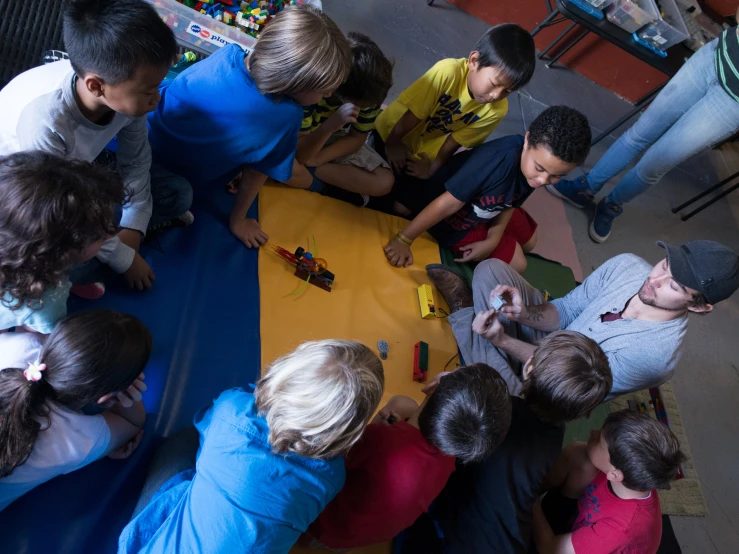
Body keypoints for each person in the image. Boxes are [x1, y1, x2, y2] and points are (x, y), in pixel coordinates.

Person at [0, 0, 192, 299]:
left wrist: (134, 224)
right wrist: (124, 258)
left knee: (178, 194)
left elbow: (137, 160)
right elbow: (60, 213)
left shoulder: (123, 92)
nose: (156, 99)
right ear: (96, 87)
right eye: (148, 91)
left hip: (78, 170)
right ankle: (78, 274)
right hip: (31, 198)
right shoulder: (45, 124)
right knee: (49, 262)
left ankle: (105, 247)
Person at [118, 340, 385, 553]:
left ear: (285, 373)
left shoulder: (233, 410)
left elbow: (204, 425)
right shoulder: (333, 475)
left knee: (183, 441)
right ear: (349, 429)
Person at [426, 239, 739, 399]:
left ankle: (464, 314)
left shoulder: (655, 357)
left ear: (698, 307)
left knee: (505, 400)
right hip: (552, 344)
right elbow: (565, 312)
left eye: (673, 285)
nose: (654, 279)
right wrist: (523, 313)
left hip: (552, 386)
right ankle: (483, 352)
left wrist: (501, 339)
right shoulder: (628, 266)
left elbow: (555, 379)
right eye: (664, 264)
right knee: (489, 270)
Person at [147, 6, 351, 249]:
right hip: (161, 174)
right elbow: (258, 172)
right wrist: (239, 220)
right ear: (294, 82)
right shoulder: (284, 116)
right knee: (179, 197)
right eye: (324, 90)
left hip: (143, 129)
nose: (328, 95)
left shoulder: (228, 52)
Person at [397, 331, 611, 554]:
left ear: (529, 367)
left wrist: (448, 385)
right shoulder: (554, 434)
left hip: (450, 538)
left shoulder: (486, 411)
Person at [547, 18, 739, 243]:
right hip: (714, 57)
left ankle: (611, 205)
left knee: (656, 164)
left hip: (732, 102)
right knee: (639, 134)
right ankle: (585, 189)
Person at [305, 363, 512, 550]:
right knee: (402, 405)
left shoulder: (381, 440)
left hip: (319, 525)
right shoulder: (449, 460)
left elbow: (327, 456)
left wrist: (377, 422)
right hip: (357, 538)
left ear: (432, 386)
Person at [384, 106, 591, 272]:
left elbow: (511, 203)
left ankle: (494, 237)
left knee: (530, 243)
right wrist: (404, 239)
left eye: (557, 176)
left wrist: (493, 240)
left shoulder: (536, 169)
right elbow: (447, 203)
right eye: (540, 169)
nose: (543, 180)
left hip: (491, 204)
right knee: (519, 263)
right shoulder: (497, 160)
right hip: (451, 218)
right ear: (527, 141)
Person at [0, 310, 151, 511]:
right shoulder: (78, 438)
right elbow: (132, 423)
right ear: (105, 399)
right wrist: (128, 396)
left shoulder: (18, 344)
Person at [375, 23, 535, 178]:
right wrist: (393, 143)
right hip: (393, 130)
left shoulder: (497, 110)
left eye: (507, 91)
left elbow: (452, 144)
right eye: (494, 84)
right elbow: (414, 114)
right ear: (474, 61)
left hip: (422, 151)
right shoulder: (448, 72)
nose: (496, 95)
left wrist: (430, 172)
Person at [0, 152, 124, 334]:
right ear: (57, 252)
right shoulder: (45, 304)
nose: (110, 235)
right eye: (99, 236)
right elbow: (40, 337)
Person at [532, 410, 685, 554]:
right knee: (579, 455)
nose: (592, 433)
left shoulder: (621, 530)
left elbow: (549, 549)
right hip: (580, 525)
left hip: (566, 546)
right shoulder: (632, 476)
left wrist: (527, 499)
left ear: (614, 474)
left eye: (598, 440)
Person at [287, 31, 395, 207]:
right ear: (335, 88)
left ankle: (311, 177)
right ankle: (318, 186)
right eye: (362, 105)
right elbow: (299, 151)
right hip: (302, 141)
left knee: (384, 182)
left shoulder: (370, 94)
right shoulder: (310, 94)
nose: (371, 108)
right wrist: (329, 127)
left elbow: (357, 137)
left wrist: (317, 159)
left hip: (322, 146)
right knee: (288, 167)